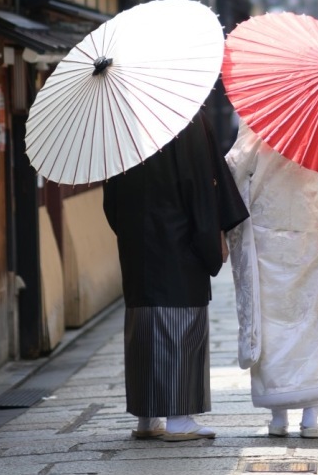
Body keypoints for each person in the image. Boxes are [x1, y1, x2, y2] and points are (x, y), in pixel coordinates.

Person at [103, 107, 248, 441]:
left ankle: (146, 416)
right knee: (181, 322)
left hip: (137, 241)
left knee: (142, 325)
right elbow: (202, 184)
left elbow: (110, 197)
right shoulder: (184, 119)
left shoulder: (120, 122)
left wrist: (129, 229)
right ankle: (180, 418)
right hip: (179, 239)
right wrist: (213, 234)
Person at [226, 120, 318, 439]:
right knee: (314, 321)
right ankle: (311, 418)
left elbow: (235, 168)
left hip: (268, 237)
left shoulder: (260, 122)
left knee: (271, 325)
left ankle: (278, 417)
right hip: (313, 233)